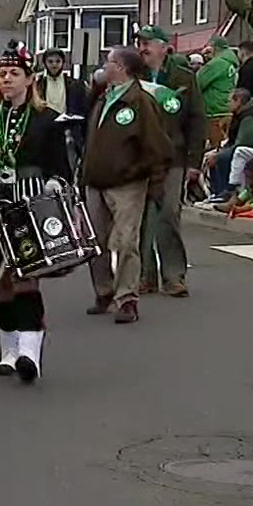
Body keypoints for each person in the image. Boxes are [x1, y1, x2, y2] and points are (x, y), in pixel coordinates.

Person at [0, 51, 72, 381]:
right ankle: (8, 350)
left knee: (27, 277)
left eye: (14, 73)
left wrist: (55, 182)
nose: (7, 78)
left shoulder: (48, 119)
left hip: (32, 202)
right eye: (3, 73)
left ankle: (29, 353)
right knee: (3, 282)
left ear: (29, 79)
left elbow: (62, 166)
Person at [82, 47, 174, 323]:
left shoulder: (140, 102)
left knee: (125, 242)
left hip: (127, 183)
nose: (104, 67)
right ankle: (104, 291)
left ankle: (126, 298)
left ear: (121, 67)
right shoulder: (102, 99)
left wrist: (155, 181)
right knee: (94, 242)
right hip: (95, 181)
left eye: (109, 62)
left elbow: (157, 145)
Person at [133, 28, 205, 296]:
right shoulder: (132, 76)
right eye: (139, 43)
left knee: (168, 214)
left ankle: (174, 275)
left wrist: (194, 162)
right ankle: (145, 275)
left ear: (164, 47)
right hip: (140, 157)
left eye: (148, 43)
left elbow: (197, 120)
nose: (143, 48)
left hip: (173, 157)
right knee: (143, 217)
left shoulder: (183, 77)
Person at [203, 88, 253, 203]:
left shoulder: (250, 117)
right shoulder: (239, 115)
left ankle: (226, 191)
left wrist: (219, 154)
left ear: (238, 101)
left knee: (221, 158)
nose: (228, 105)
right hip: (236, 146)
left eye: (230, 101)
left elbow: (243, 142)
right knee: (209, 156)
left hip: (251, 149)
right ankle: (215, 192)